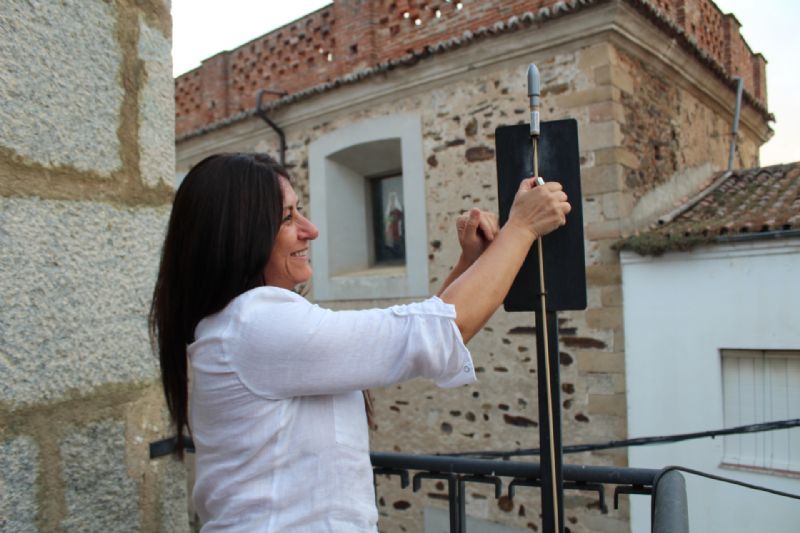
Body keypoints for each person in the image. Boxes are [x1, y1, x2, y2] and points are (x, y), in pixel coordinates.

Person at [150, 152, 570, 532]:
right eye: (287, 218)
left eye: (302, 212)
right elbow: (436, 333)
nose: (309, 230)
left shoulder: (241, 325)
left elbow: (417, 333)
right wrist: (523, 227)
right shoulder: (256, 324)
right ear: (239, 235)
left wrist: (471, 264)